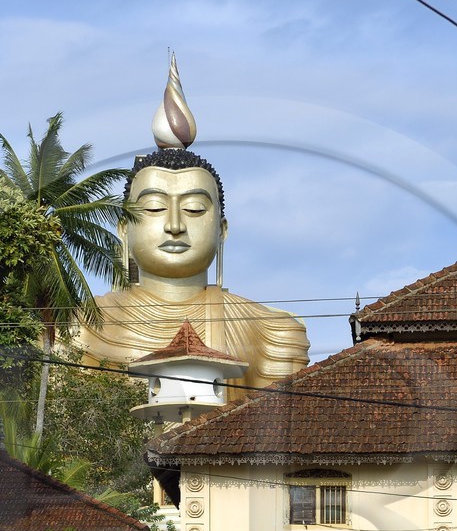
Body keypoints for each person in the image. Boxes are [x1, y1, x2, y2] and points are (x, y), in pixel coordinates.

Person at [78, 58, 309, 391]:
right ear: (124, 229)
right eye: (155, 207)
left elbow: (280, 420)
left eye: (194, 209)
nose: (175, 225)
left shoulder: (270, 332)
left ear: (222, 229)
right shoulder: (82, 326)